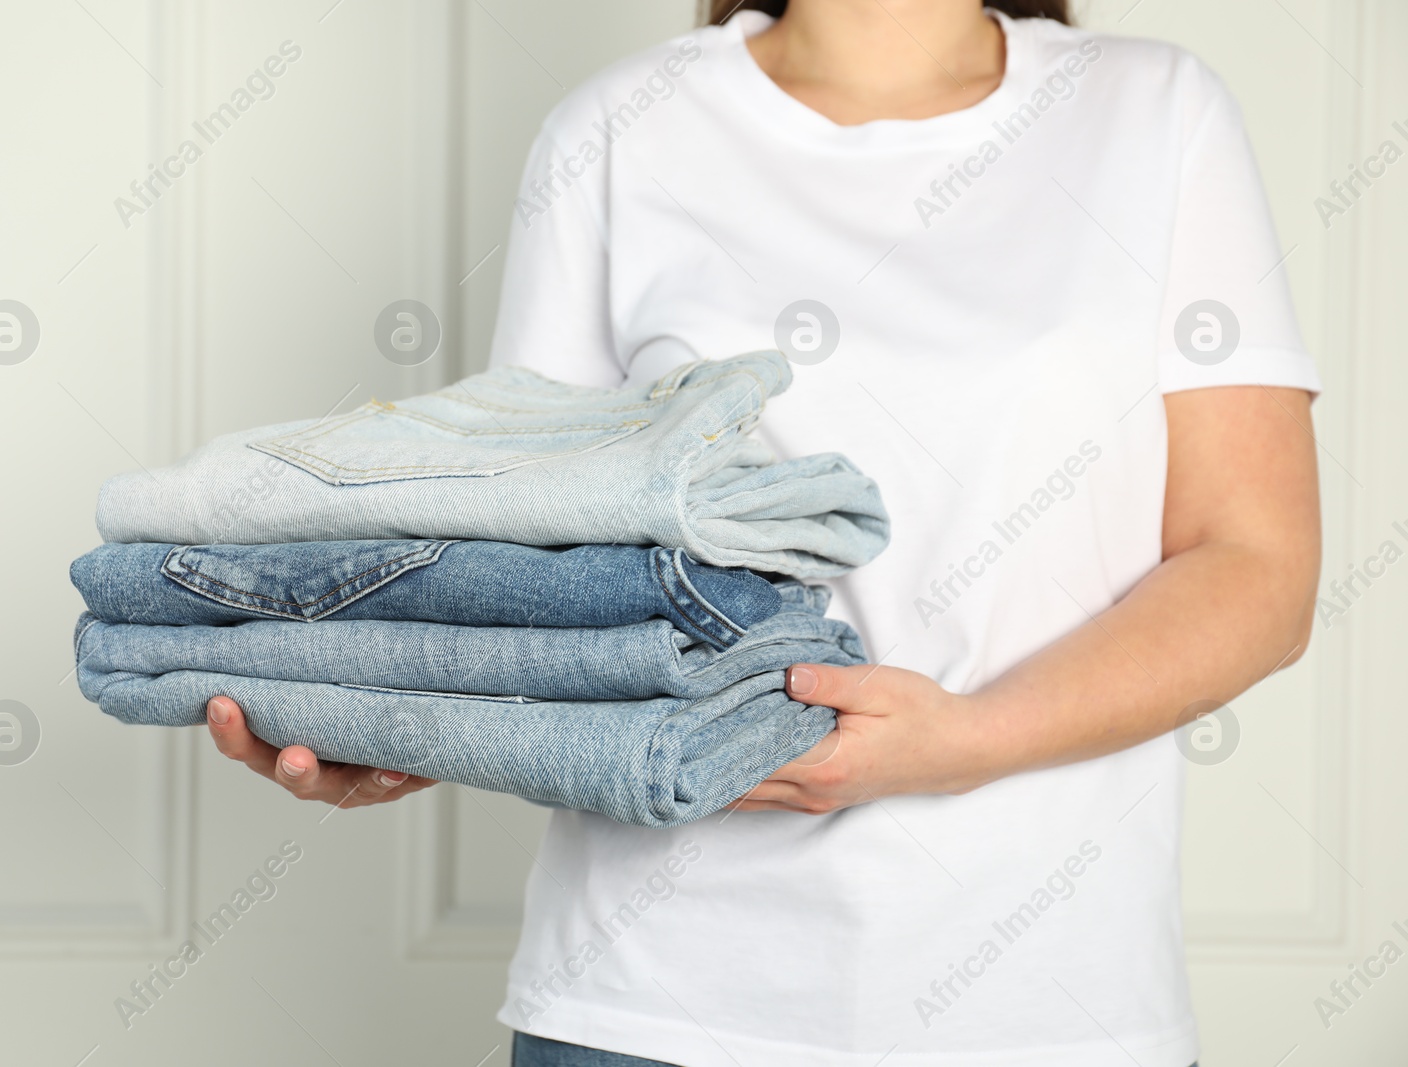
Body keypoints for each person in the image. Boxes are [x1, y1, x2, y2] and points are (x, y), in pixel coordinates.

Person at [207, 0, 1321, 1063]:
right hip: (651, 1010)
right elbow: (529, 561)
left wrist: (968, 737)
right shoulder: (616, 127)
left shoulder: (1154, 111)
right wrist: (393, 718)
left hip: (1049, 1012)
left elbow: (1254, 567)